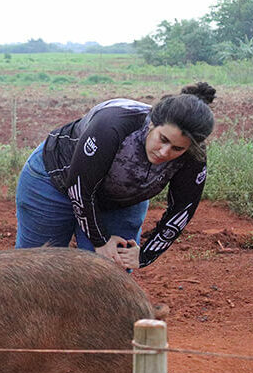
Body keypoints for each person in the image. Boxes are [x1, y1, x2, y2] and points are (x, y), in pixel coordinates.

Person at [15, 82, 215, 270]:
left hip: (120, 198)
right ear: (153, 123)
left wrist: (144, 255)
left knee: (109, 270)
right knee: (37, 267)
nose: (164, 152)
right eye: (163, 139)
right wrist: (100, 241)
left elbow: (181, 211)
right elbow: (80, 190)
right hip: (53, 180)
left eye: (177, 148)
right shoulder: (113, 125)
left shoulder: (193, 157)